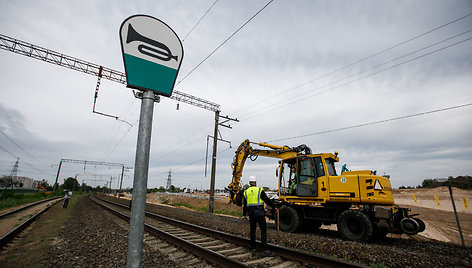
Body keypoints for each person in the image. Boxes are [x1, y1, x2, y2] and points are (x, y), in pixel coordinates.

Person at [242, 176, 276, 257]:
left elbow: (245, 205)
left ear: (249, 183)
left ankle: (253, 248)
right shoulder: (260, 190)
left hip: (251, 214)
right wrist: (274, 206)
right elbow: (267, 200)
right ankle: (264, 250)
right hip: (260, 213)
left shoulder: (246, 192)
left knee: (252, 231)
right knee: (263, 231)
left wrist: (244, 214)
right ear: (255, 182)